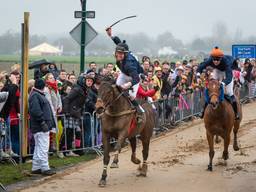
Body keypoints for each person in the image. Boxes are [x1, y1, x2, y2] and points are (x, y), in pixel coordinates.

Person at [106, 27, 145, 122]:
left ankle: (140, 112)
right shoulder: (124, 51)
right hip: (124, 73)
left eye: (121, 54)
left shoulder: (129, 64)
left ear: (126, 54)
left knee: (131, 96)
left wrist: (128, 84)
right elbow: (119, 43)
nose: (118, 55)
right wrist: (111, 35)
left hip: (134, 76)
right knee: (116, 88)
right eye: (117, 53)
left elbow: (136, 79)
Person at [197, 47, 239, 119]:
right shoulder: (210, 60)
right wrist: (198, 76)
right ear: (211, 58)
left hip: (226, 72)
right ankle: (203, 111)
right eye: (214, 60)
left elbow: (229, 77)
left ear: (221, 58)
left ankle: (236, 113)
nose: (215, 61)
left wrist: (223, 83)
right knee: (211, 90)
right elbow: (200, 67)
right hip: (217, 70)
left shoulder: (227, 62)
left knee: (229, 92)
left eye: (218, 60)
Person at [29, 79, 56, 176]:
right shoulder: (36, 95)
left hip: (40, 126)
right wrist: (42, 122)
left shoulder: (36, 94)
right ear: (43, 86)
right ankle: (45, 167)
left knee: (38, 147)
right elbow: (36, 111)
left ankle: (36, 167)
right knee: (43, 148)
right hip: (40, 126)